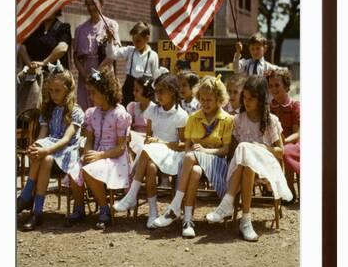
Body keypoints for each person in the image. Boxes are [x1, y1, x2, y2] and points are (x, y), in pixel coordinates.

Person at [206, 76, 293, 241]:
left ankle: (227, 202)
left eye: (251, 98)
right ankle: (245, 221)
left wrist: (259, 147)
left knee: (246, 148)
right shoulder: (238, 120)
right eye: (244, 97)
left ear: (260, 99)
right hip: (245, 168)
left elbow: (280, 151)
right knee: (245, 158)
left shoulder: (270, 120)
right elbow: (233, 150)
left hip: (266, 167)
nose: (247, 101)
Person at [153, 76, 234, 238]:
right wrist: (198, 153)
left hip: (216, 164)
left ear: (219, 99)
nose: (205, 103)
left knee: (190, 158)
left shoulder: (227, 119)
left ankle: (175, 206)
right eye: (202, 99)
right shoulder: (193, 118)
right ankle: (188, 220)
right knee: (195, 170)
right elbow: (188, 147)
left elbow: (225, 150)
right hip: (194, 163)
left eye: (209, 100)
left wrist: (205, 151)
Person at [113, 73, 188, 228]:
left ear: (172, 92)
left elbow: (183, 145)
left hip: (171, 155)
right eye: (156, 91)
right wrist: (153, 142)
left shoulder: (181, 115)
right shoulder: (152, 111)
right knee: (150, 167)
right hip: (153, 154)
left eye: (161, 92)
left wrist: (161, 142)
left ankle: (131, 195)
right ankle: (153, 212)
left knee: (147, 150)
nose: (157, 95)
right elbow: (148, 138)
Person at [16, 67, 84, 230]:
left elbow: (66, 140)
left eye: (58, 91)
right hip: (49, 154)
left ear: (68, 91)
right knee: (44, 158)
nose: (53, 95)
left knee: (45, 155)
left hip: (66, 152)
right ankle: (37, 212)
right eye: (51, 90)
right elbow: (43, 135)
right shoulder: (48, 110)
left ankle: (26, 196)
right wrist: (36, 146)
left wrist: (45, 149)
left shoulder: (75, 111)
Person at [67, 67, 132, 229]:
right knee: (74, 169)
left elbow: (121, 147)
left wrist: (100, 155)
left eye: (93, 92)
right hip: (96, 153)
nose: (91, 96)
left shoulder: (119, 114)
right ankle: (79, 208)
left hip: (114, 157)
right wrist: (88, 153)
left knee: (90, 170)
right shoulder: (91, 113)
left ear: (105, 92)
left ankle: (105, 209)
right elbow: (89, 139)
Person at [73, 0, 120, 110]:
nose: (90, 7)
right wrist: (85, 75)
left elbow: (114, 53)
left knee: (103, 105)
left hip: (103, 70)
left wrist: (96, 73)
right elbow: (76, 56)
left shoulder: (110, 25)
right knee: (85, 109)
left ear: (101, 4)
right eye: (87, 4)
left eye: (93, 3)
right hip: (86, 74)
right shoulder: (80, 29)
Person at [106, 21, 159, 107]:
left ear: (147, 38)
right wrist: (109, 39)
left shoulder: (153, 55)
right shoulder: (130, 51)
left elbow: (155, 77)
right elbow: (111, 54)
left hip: (145, 92)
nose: (135, 44)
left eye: (138, 41)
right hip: (129, 90)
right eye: (133, 41)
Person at [267, 68, 300, 201]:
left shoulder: (294, 105)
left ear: (286, 86)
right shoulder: (270, 106)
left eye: (277, 85)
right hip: (275, 141)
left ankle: (290, 189)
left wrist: (283, 142)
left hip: (293, 141)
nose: (273, 89)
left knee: (285, 151)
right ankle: (273, 188)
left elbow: (298, 133)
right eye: (270, 86)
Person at [126, 75, 156, 163]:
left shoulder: (154, 109)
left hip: (147, 138)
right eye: (133, 90)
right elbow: (127, 124)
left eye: (137, 90)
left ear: (146, 91)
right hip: (132, 137)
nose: (134, 93)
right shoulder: (132, 106)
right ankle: (130, 165)